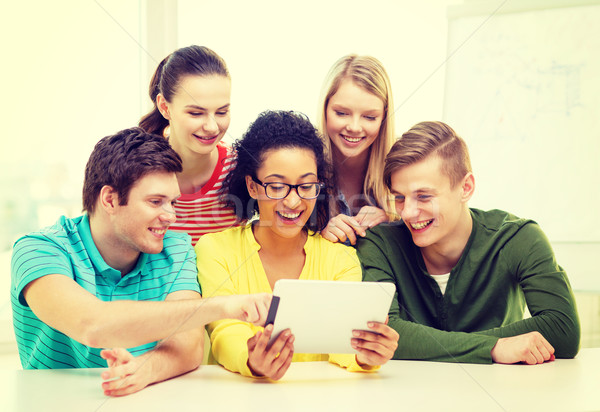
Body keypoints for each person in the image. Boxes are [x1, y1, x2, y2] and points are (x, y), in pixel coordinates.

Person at [10, 128, 271, 396]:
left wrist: (144, 369)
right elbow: (93, 326)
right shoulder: (39, 250)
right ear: (110, 200)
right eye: (156, 202)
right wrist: (223, 306)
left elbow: (189, 346)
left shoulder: (175, 247)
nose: (171, 216)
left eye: (172, 202)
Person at [196, 111, 399, 380]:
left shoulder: (341, 260)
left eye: (306, 186)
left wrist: (365, 354)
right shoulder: (215, 250)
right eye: (277, 186)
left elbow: (342, 342)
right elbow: (223, 332)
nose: (293, 202)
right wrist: (252, 359)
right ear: (252, 187)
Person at [356, 121, 581, 364]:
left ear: (466, 187)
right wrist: (493, 347)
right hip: (405, 394)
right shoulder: (378, 243)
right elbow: (378, 337)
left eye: (424, 196)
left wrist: (428, 344)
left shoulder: (519, 237)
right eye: (399, 198)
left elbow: (563, 329)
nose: (408, 213)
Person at [139, 45, 237, 245]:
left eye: (221, 112)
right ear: (165, 108)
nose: (211, 127)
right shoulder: (138, 171)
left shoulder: (240, 168)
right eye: (196, 113)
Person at [317, 54, 397, 245]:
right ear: (325, 109)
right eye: (342, 113)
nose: (354, 127)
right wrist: (319, 239)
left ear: (384, 118)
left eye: (369, 117)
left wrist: (392, 221)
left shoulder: (403, 167)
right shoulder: (304, 166)